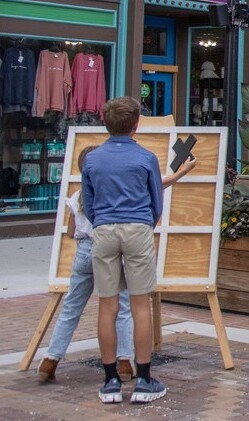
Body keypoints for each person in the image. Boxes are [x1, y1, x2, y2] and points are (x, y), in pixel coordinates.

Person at [39, 146, 196, 384]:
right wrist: (182, 171)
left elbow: (71, 233)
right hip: (109, 247)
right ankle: (125, 361)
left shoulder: (78, 195)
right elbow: (157, 186)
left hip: (84, 253)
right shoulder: (118, 189)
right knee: (123, 306)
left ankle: (51, 358)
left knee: (71, 307)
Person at [82, 96, 166, 404]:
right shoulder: (145, 158)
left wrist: (103, 221)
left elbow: (88, 204)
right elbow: (157, 202)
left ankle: (110, 381)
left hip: (104, 228)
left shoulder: (92, 159)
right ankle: (143, 378)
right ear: (136, 124)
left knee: (107, 305)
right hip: (137, 227)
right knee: (140, 303)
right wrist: (146, 222)